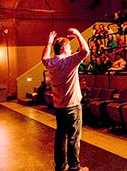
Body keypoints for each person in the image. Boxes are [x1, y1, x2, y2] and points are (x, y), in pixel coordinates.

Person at [41, 29, 89, 171]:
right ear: (63, 49)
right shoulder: (69, 61)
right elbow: (85, 51)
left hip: (59, 107)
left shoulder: (50, 63)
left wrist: (49, 43)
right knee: (74, 137)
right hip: (72, 106)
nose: (70, 49)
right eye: (68, 47)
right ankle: (75, 167)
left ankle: (60, 166)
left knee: (60, 137)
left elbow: (43, 57)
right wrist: (78, 34)